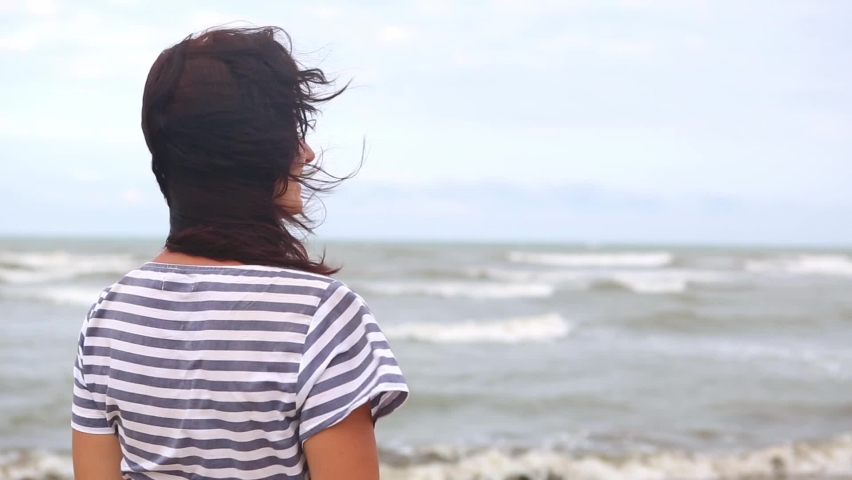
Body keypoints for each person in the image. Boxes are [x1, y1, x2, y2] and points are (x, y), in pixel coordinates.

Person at [70, 26, 409, 480]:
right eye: (293, 131)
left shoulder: (108, 316)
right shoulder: (321, 315)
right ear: (250, 152)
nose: (306, 153)